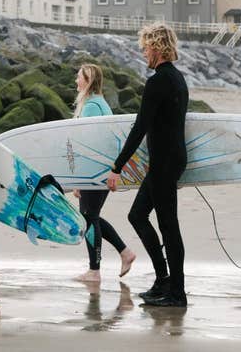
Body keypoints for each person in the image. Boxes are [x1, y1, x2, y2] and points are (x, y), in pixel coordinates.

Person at [106, 23, 189, 307]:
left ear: (156, 47)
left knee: (169, 226)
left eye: (145, 47)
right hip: (170, 159)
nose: (143, 53)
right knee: (138, 215)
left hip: (165, 162)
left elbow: (140, 127)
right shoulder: (177, 79)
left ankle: (177, 294)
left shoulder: (158, 82)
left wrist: (117, 167)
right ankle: (163, 280)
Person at [71, 64, 136, 282]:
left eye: (79, 77)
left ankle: (94, 270)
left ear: (88, 81)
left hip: (94, 172)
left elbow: (88, 145)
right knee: (91, 216)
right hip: (99, 170)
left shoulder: (91, 106)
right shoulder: (98, 103)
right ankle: (125, 253)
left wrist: (80, 180)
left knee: (88, 218)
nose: (76, 81)